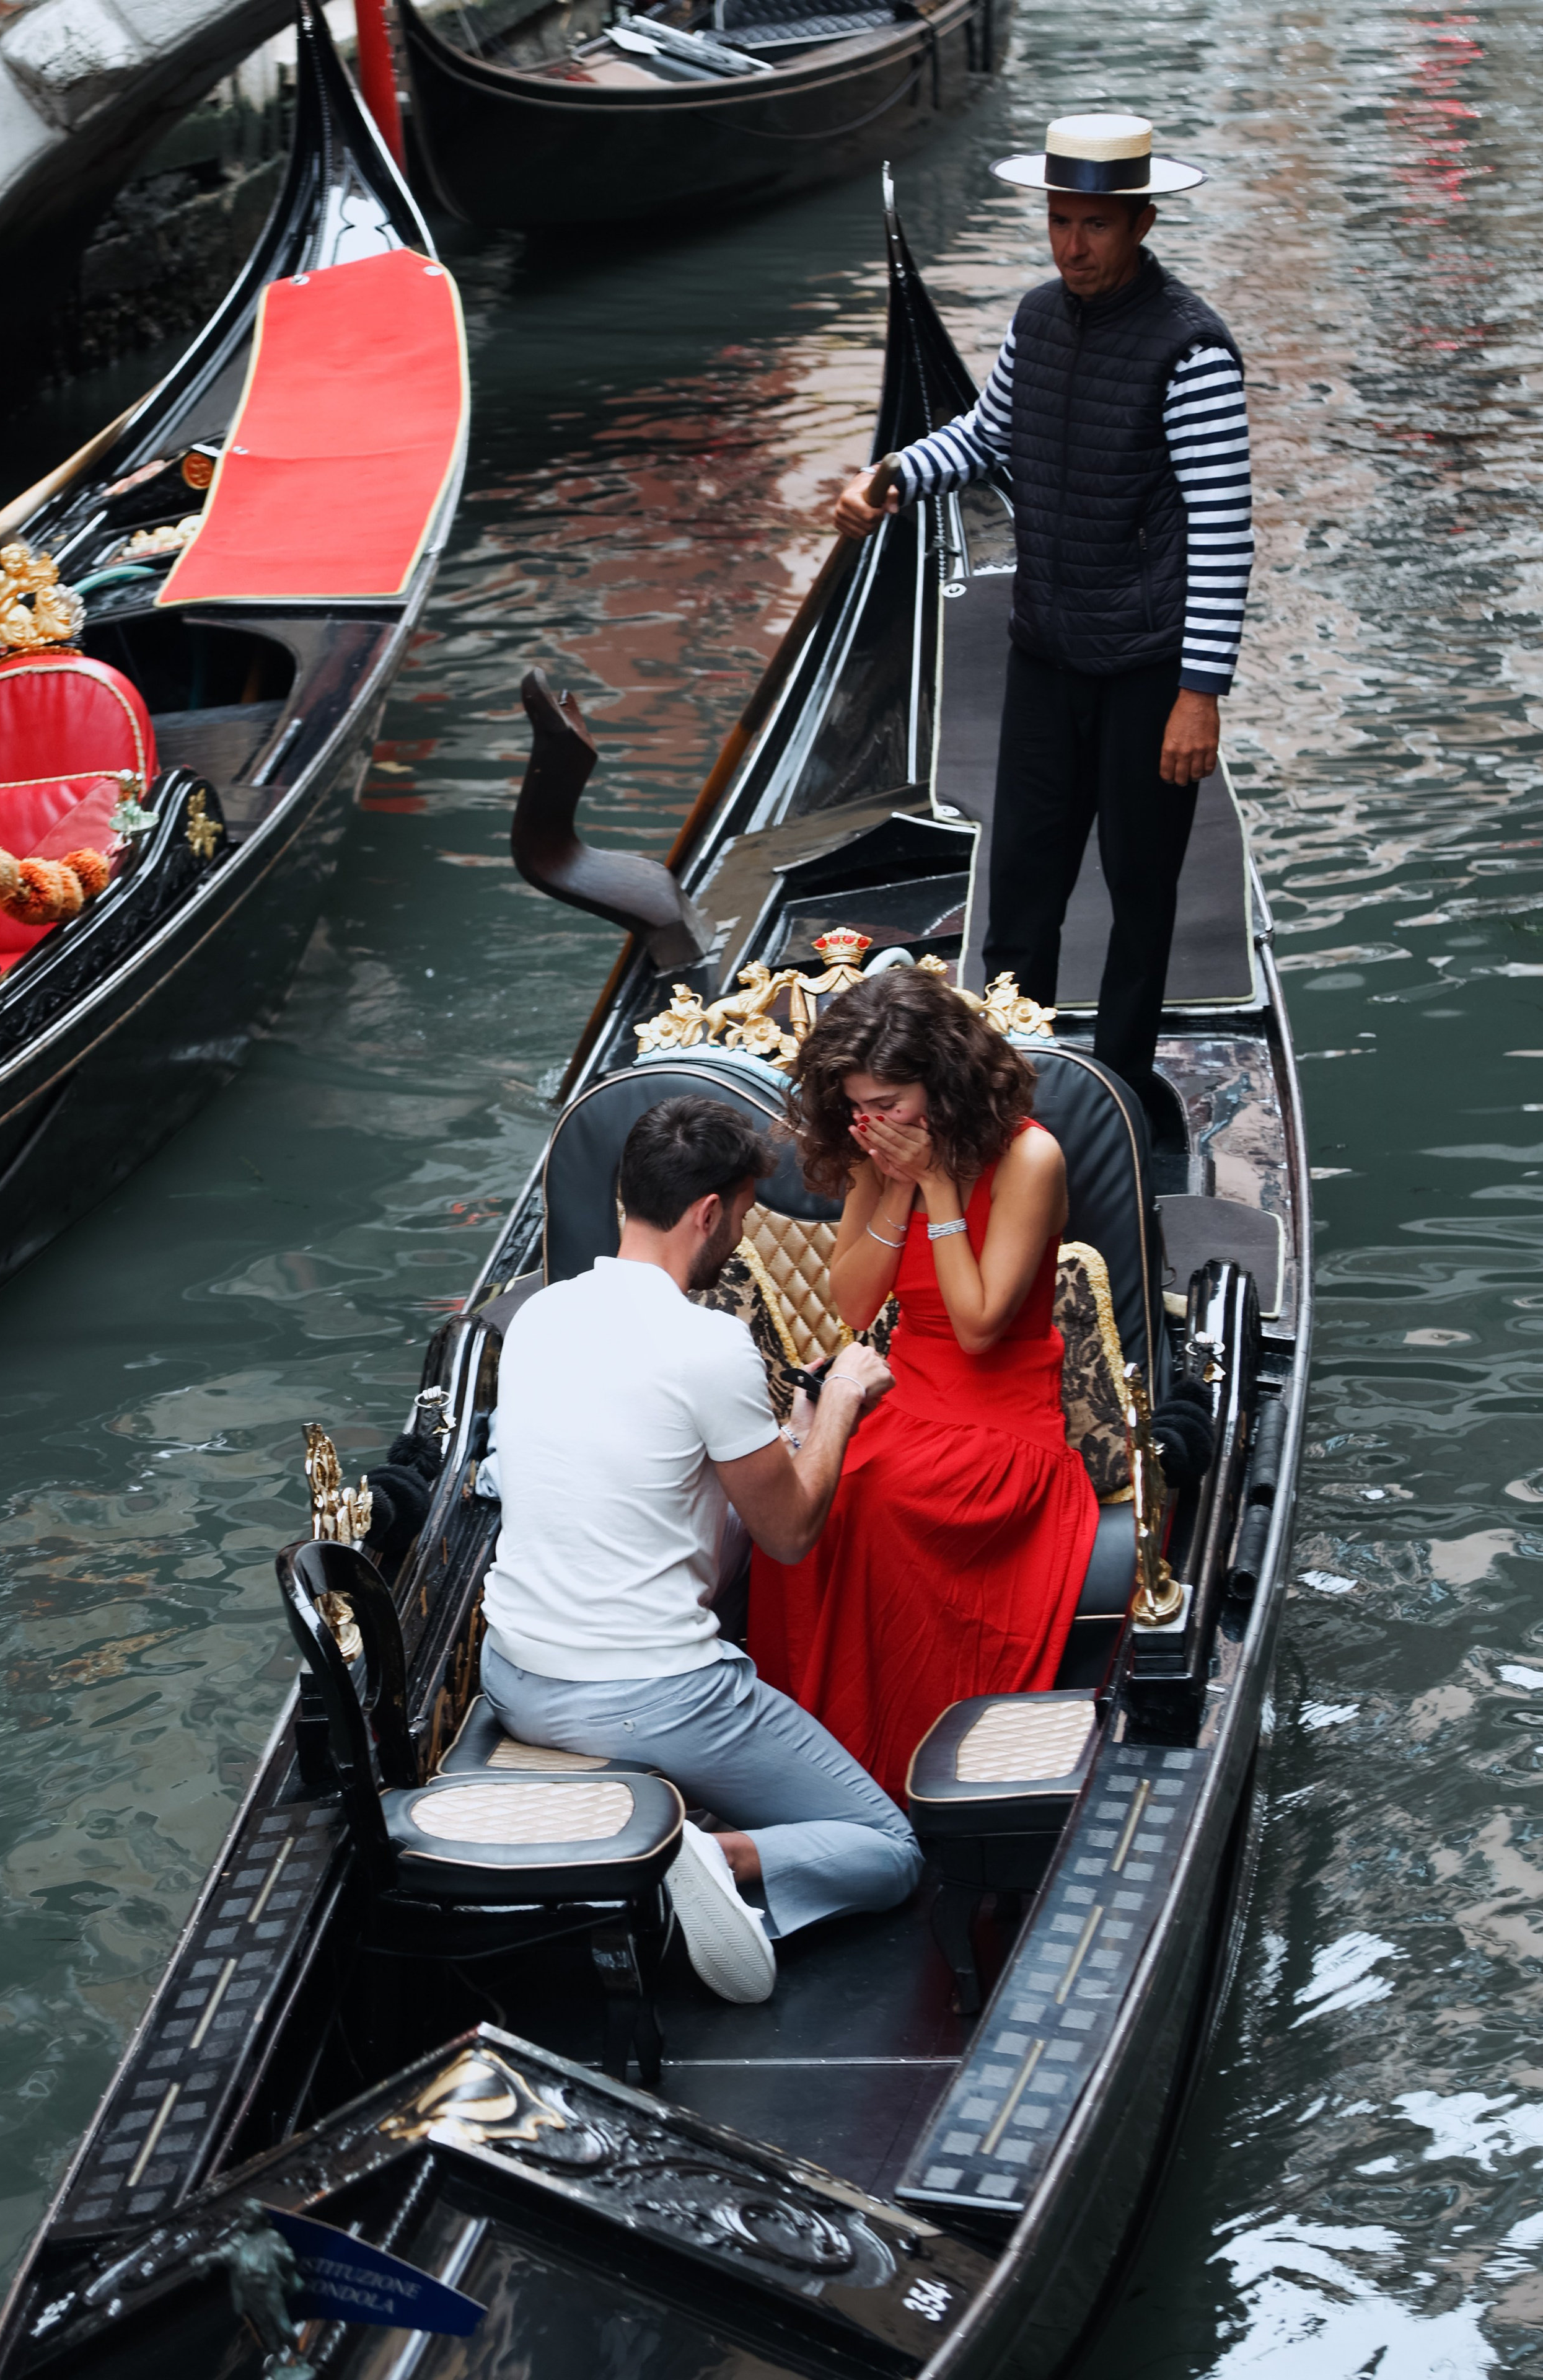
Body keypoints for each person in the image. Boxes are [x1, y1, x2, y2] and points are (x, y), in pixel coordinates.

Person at [834, 113, 1252, 1133]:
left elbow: (1222, 529)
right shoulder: (1035, 318)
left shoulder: (1192, 351)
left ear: (1141, 223)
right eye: (1061, 222)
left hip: (1148, 668)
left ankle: (1117, 1094)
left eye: (1095, 225)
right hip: (1048, 650)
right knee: (1023, 881)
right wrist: (894, 475)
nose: (1073, 245)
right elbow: (987, 437)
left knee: (1140, 891)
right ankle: (1013, 1082)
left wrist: (1200, 694)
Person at [481, 1093, 921, 2006]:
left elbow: (675, 1494)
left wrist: (797, 1432)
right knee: (890, 1850)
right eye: (747, 1213)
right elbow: (789, 1536)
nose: (744, 1232)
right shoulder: (709, 1342)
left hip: (516, 1677)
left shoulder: (539, 1317)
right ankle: (700, 1856)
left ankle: (678, 1851)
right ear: (710, 1212)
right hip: (649, 1698)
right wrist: (842, 1399)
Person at [750, 970, 1099, 1803]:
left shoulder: (1030, 1157)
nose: (874, 1122)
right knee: (808, 1500)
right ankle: (815, 1771)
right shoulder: (878, 1151)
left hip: (1003, 1411)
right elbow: (855, 1304)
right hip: (907, 1393)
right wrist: (897, 1183)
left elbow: (979, 1327)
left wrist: (937, 1182)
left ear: (943, 1083)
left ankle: (895, 1767)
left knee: (880, 1497)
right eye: (859, 1106)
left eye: (890, 1102)